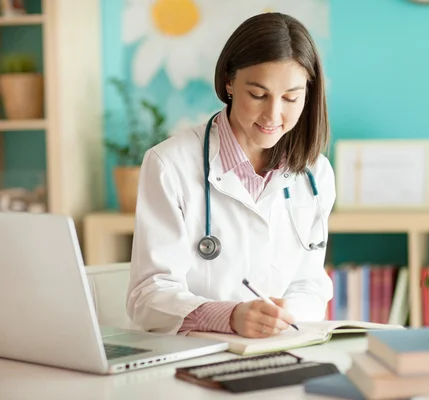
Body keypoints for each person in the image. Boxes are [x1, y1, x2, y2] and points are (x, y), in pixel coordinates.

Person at [126, 12, 336, 339]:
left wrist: (284, 314)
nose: (273, 114)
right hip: (194, 354)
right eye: (258, 94)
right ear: (229, 82)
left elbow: (309, 282)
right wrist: (230, 317)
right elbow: (148, 296)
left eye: (291, 98)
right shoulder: (169, 164)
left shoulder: (316, 173)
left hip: (280, 347)